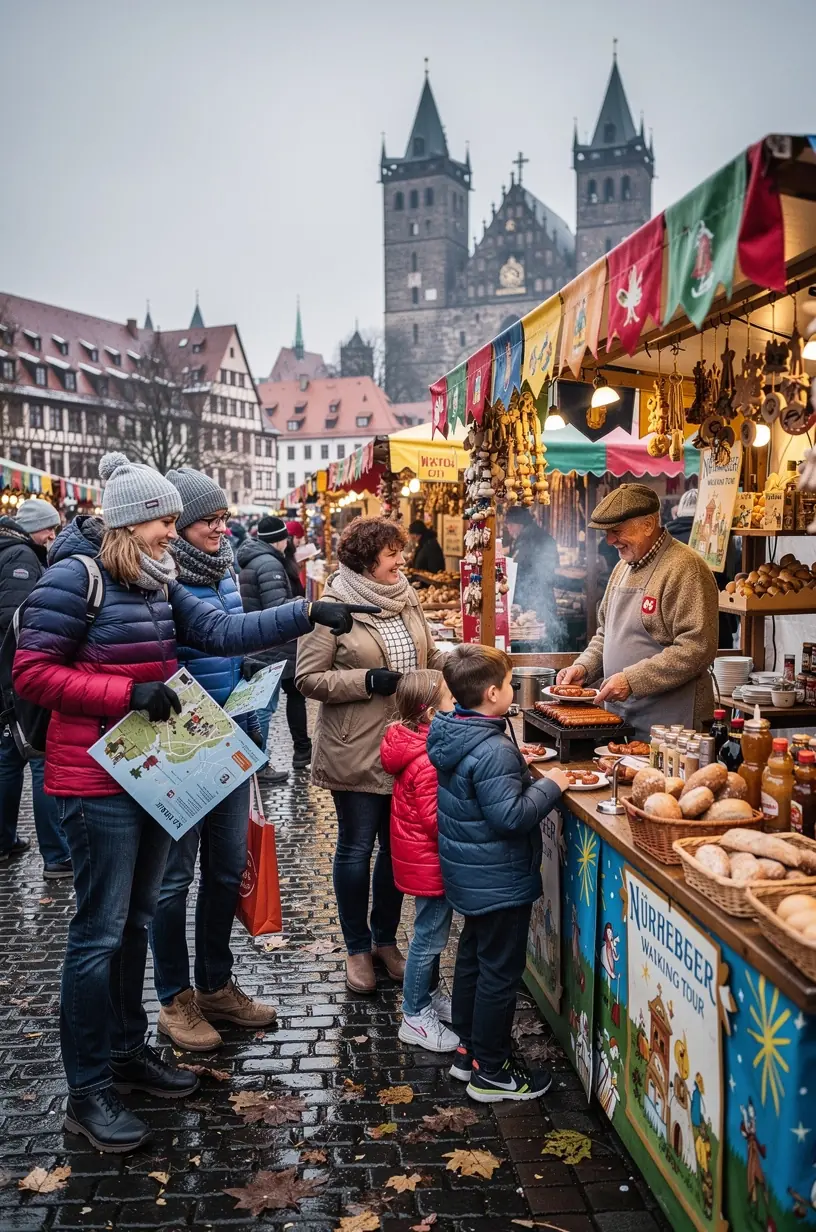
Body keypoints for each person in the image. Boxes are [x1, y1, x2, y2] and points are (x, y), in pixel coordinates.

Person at [12, 451, 370, 1153]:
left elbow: (219, 632)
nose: (173, 533)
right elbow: (33, 672)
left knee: (135, 921)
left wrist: (307, 613)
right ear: (131, 521)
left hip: (148, 777)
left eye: (177, 520)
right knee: (97, 936)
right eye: (164, 521)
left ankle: (126, 1052)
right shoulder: (74, 577)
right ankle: (86, 1092)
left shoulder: (157, 581)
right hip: (94, 784)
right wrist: (127, 693)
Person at [148, 468, 277, 1053]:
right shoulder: (162, 576)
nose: (222, 530)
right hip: (180, 743)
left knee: (226, 867)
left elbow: (226, 639)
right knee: (173, 878)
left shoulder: (224, 570)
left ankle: (216, 983)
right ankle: (175, 999)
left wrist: (242, 673)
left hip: (228, 737)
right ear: (176, 525)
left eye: (225, 518)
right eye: (210, 520)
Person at [296, 516, 445, 995]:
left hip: (409, 745)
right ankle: (356, 947)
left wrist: (461, 663)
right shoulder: (334, 605)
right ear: (365, 560)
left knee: (396, 848)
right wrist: (366, 681)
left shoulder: (405, 595)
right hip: (355, 746)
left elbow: (426, 654)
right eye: (392, 554)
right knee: (357, 848)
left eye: (400, 552)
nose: (401, 561)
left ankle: (385, 940)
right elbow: (306, 678)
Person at [426, 643, 569, 1102]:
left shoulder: (456, 730)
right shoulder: (492, 748)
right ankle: (493, 1070)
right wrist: (553, 785)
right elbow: (510, 817)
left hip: (471, 876)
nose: (511, 690)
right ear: (492, 693)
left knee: (472, 958)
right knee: (499, 973)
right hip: (499, 879)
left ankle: (468, 1052)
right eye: (509, 684)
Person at [557, 483, 719, 739]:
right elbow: (605, 634)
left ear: (648, 525)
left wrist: (632, 680)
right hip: (622, 716)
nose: (610, 540)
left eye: (617, 531)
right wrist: (584, 668)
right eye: (608, 532)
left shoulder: (686, 568)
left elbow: (697, 647)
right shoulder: (622, 568)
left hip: (673, 724)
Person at [380, 669, 458, 1054]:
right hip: (431, 864)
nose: (456, 701)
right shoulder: (428, 758)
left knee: (432, 933)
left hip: (422, 861)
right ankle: (414, 1015)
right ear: (430, 714)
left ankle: (429, 996)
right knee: (429, 938)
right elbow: (436, 819)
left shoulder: (416, 743)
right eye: (449, 697)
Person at [0, 498, 71, 877]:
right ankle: (57, 855)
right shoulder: (23, 559)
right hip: (20, 676)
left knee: (10, 756)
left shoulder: (9, 551)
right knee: (41, 756)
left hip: (8, 676)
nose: (53, 537)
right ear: (37, 530)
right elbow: (18, 619)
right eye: (50, 529)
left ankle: (4, 839)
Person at [238, 517, 311, 773]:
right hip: (271, 644)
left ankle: (258, 760)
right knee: (264, 707)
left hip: (261, 642)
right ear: (281, 539)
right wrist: (305, 604)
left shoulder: (254, 559)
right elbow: (276, 607)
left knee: (263, 704)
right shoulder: (270, 563)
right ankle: (259, 762)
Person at [503, 506, 559, 631]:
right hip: (541, 599)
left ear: (521, 524)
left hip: (535, 601)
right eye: (508, 524)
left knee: (538, 638)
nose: (509, 528)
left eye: (511, 524)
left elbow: (517, 570)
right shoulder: (533, 535)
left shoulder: (528, 539)